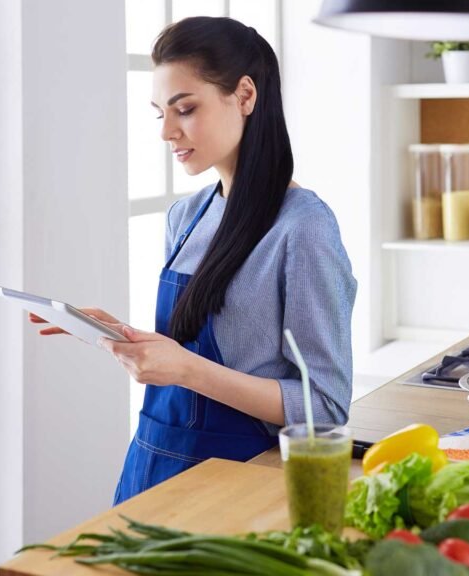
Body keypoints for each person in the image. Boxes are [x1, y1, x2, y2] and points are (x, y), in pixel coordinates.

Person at [32, 16, 356, 504]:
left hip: (238, 483)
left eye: (184, 109)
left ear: (245, 96)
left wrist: (184, 368)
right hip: (151, 463)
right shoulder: (186, 216)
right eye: (159, 112)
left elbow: (324, 408)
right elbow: (186, 352)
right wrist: (125, 337)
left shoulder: (303, 227)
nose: (167, 131)